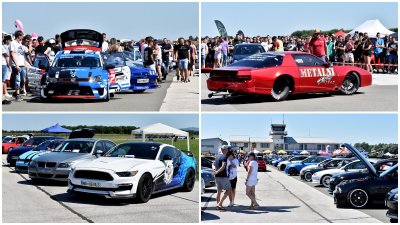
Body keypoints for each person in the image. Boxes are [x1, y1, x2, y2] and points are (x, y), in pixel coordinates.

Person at [213, 145, 232, 211]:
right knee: (229, 190)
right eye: (227, 149)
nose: (228, 150)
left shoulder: (217, 156)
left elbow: (213, 164)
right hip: (223, 176)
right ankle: (220, 204)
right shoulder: (224, 156)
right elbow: (223, 166)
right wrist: (217, 171)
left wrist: (214, 170)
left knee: (219, 191)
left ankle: (218, 205)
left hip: (217, 176)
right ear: (224, 150)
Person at [10, 30, 27, 102]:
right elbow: (12, 54)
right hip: (17, 64)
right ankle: (17, 94)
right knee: (18, 79)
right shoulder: (13, 43)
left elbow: (22, 54)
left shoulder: (19, 44)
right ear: (19, 36)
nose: (22, 37)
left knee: (23, 80)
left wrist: (24, 63)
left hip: (22, 64)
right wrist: (16, 64)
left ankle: (16, 92)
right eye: (22, 36)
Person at [2, 33, 12, 104]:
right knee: (3, 80)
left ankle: (4, 94)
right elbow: (6, 56)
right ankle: (2, 96)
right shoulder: (2, 46)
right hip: (3, 64)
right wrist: (9, 65)